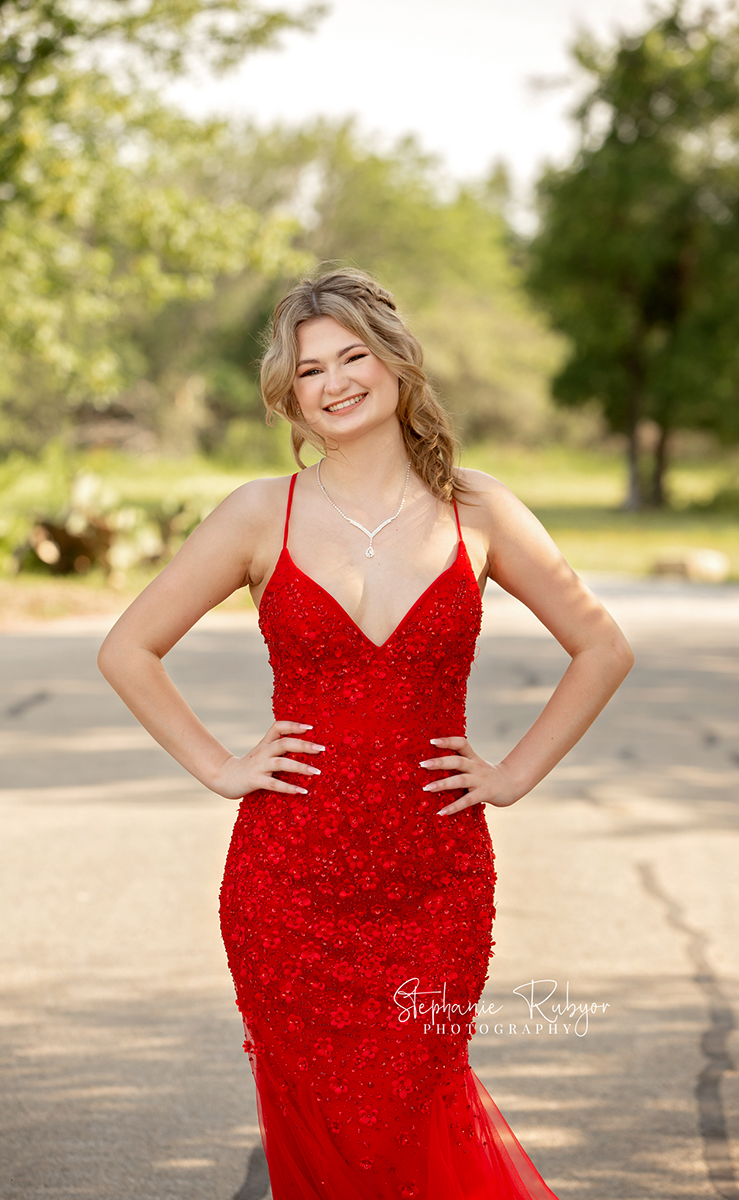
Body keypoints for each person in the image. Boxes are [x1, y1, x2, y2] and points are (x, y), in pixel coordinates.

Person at [98, 266, 634, 1199]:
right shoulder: (260, 513)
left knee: (417, 1104)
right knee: (320, 1123)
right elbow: (128, 648)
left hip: (437, 877)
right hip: (288, 882)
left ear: (395, 363)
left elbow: (601, 645)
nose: (337, 382)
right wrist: (222, 765)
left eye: (354, 356)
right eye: (311, 370)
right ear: (289, 393)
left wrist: (511, 776)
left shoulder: (481, 509)